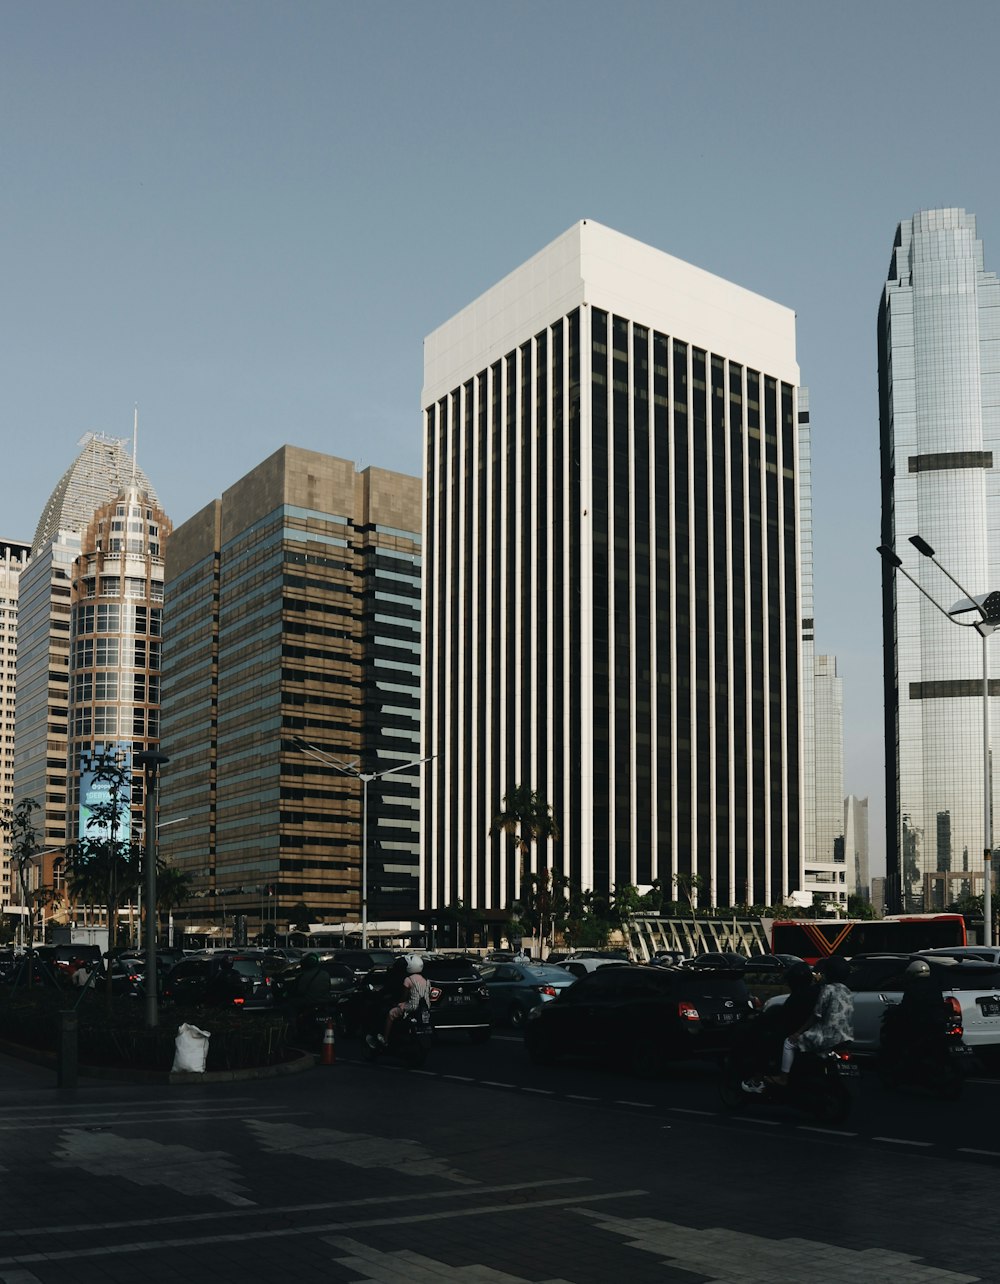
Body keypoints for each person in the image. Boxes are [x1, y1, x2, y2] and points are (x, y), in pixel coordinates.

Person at [369, 954, 430, 1048]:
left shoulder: (408, 979)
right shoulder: (425, 979)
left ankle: (385, 1040)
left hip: (411, 1006)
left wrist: (400, 1003)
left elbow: (404, 996)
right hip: (424, 1007)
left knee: (390, 1014)